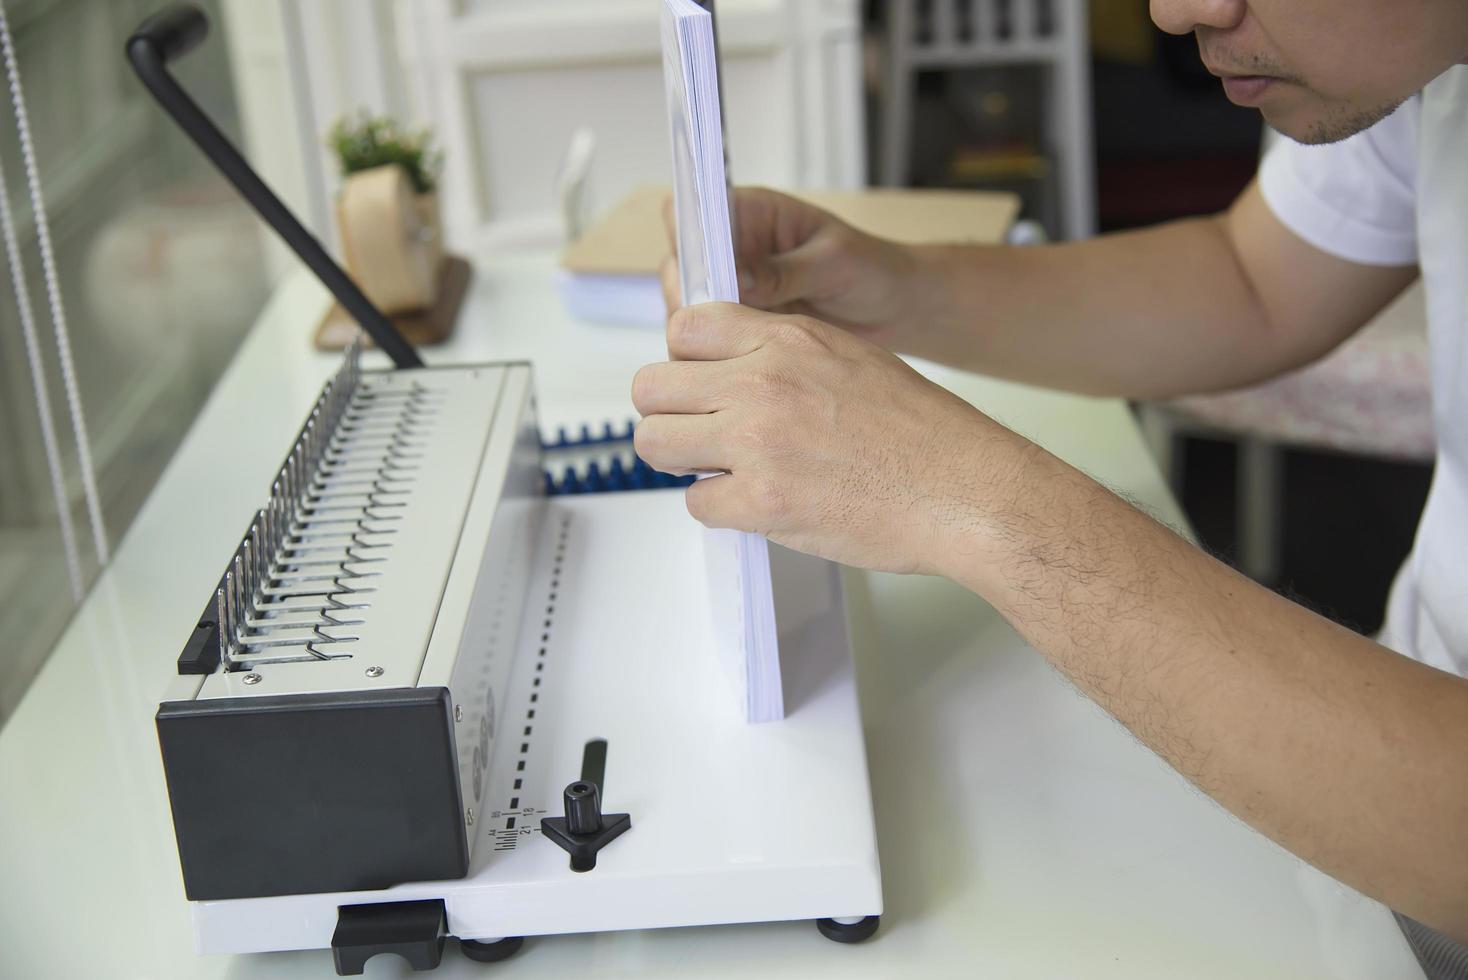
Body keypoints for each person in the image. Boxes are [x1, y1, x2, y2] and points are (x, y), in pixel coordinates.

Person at [632, 0, 1468, 952]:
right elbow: (1256, 282)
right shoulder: (1423, 62)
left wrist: (964, 499)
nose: (1176, 10)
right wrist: (895, 286)